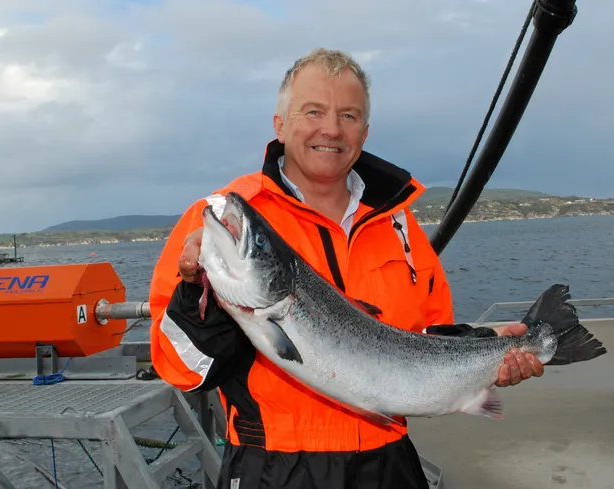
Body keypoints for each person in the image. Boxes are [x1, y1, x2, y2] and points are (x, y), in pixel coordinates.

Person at [148, 48, 545, 489]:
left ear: (365, 131)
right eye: (313, 111)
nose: (331, 129)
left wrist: (490, 351)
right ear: (279, 123)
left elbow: (429, 338)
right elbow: (182, 369)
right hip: (276, 468)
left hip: (389, 462)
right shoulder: (222, 218)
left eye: (349, 116)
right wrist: (196, 292)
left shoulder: (398, 224)